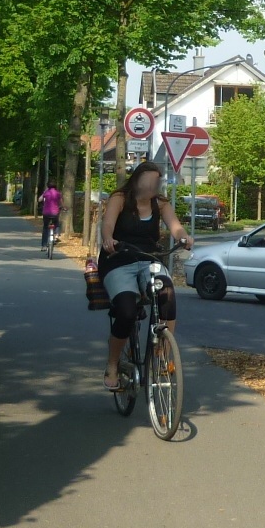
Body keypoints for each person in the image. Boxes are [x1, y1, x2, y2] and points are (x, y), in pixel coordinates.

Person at [99, 162, 192, 391]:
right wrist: (108, 239)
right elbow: (107, 224)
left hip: (149, 259)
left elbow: (175, 226)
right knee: (126, 311)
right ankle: (112, 364)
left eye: (156, 181)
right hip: (118, 260)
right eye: (149, 181)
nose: (153, 186)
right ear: (137, 180)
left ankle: (164, 352)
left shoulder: (160, 203)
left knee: (167, 293)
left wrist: (183, 237)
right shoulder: (120, 199)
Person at [39, 183, 62, 248]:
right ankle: (56, 235)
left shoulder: (46, 192)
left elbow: (39, 199)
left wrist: (44, 192)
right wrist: (62, 207)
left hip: (46, 213)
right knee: (57, 224)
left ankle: (44, 245)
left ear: (48, 187)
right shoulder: (58, 193)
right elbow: (61, 202)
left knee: (45, 228)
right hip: (55, 213)